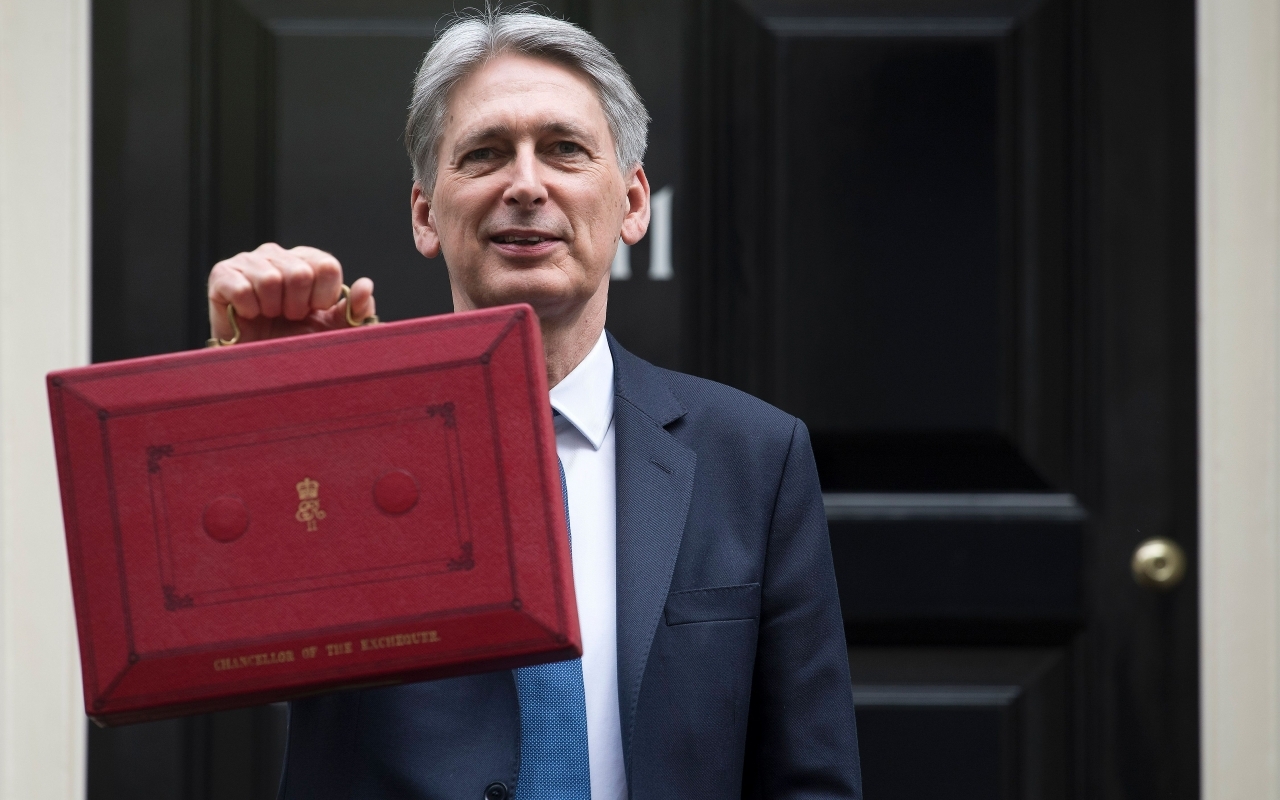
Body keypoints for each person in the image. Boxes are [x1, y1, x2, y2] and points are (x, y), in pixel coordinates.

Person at [206, 9, 861, 800]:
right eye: (484, 154)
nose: (524, 184)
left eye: (564, 150)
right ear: (425, 214)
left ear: (632, 203)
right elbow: (215, 650)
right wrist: (261, 414)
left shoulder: (754, 458)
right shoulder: (347, 443)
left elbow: (809, 778)